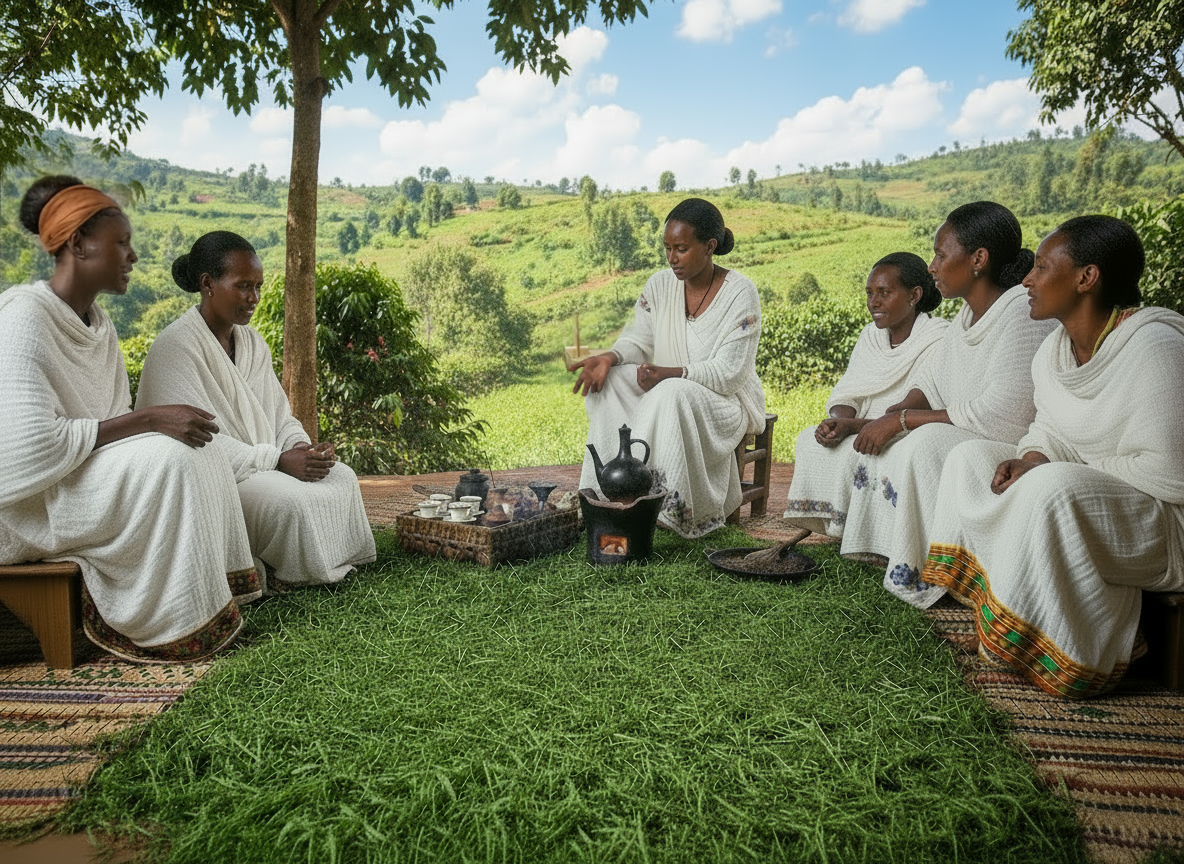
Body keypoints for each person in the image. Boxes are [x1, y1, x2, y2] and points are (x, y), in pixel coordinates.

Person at [923, 216, 1184, 697]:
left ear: (1087, 277)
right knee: (970, 459)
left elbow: (1171, 474)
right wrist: (1033, 454)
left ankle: (1072, 652)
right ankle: (997, 615)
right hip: (1084, 495)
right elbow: (1047, 428)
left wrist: (1054, 470)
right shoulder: (1054, 352)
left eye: (1042, 267)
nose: (1026, 278)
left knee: (1052, 486)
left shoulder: (1156, 347)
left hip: (1162, 525)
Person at [0, 177, 258, 662]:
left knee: (192, 449)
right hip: (30, 503)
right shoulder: (22, 318)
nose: (133, 256)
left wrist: (147, 424)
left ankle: (210, 603)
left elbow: (114, 423)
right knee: (171, 459)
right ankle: (174, 626)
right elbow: (22, 451)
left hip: (79, 475)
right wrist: (151, 419)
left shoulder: (99, 324)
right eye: (122, 243)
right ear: (78, 244)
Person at [837, 201, 1058, 608]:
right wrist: (890, 415)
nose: (933, 265)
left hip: (1013, 447)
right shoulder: (965, 318)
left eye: (941, 254)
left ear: (978, 259)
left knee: (923, 441)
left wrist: (903, 420)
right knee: (900, 437)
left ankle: (934, 573)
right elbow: (931, 383)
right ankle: (895, 554)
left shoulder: (1019, 313)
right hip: (973, 432)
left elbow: (1004, 414)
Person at [136, 231, 376, 588]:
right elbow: (194, 445)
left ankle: (335, 561)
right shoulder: (175, 348)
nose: (254, 298)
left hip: (266, 463)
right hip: (222, 482)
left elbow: (279, 415)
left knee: (342, 476)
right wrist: (277, 461)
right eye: (244, 286)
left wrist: (300, 448)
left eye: (259, 287)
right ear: (208, 284)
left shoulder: (252, 342)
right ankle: (295, 575)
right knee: (289, 502)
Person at [568, 198, 765, 537]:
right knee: (612, 381)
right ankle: (605, 495)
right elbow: (639, 341)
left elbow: (730, 373)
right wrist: (609, 358)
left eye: (682, 248)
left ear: (709, 247)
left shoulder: (740, 293)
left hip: (723, 401)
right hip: (668, 389)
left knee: (670, 392)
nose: (672, 258)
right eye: (667, 248)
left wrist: (671, 374)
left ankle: (666, 510)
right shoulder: (660, 285)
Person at [784, 252, 947, 537]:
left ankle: (870, 534)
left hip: (904, 431)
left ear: (915, 295)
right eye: (870, 293)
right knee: (809, 440)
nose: (874, 302)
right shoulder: (869, 335)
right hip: (860, 426)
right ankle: (841, 528)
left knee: (858, 452)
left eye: (884, 292)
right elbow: (849, 391)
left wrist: (853, 427)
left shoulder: (939, 337)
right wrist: (837, 422)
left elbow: (911, 406)